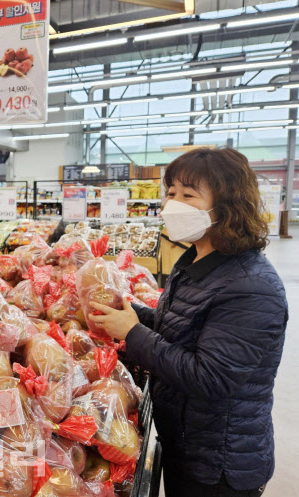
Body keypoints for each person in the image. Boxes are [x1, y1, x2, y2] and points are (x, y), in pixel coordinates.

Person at [88, 148, 287, 497]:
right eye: (170, 193)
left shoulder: (250, 287)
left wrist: (133, 332)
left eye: (188, 195)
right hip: (187, 442)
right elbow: (181, 325)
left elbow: (210, 377)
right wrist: (128, 310)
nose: (171, 205)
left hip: (220, 466)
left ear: (226, 205)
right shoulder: (195, 258)